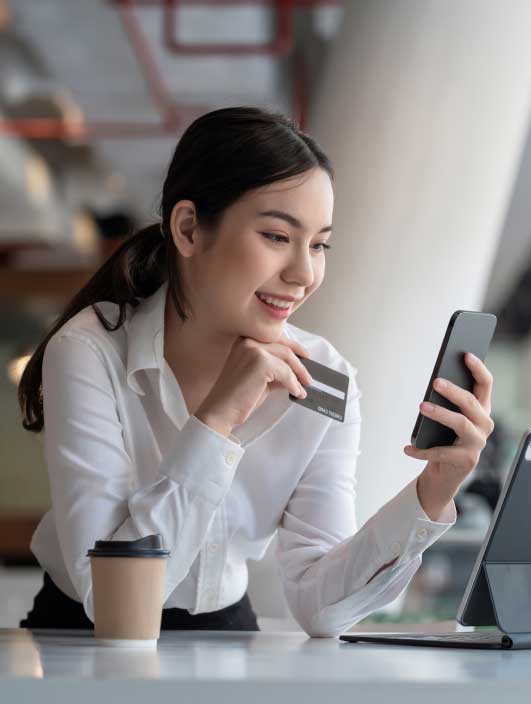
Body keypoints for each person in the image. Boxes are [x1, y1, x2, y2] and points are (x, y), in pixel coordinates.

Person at [16, 107, 495, 637]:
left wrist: (434, 490)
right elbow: (110, 601)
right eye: (275, 236)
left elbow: (321, 607)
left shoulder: (325, 378)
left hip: (226, 632)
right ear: (189, 228)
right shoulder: (89, 352)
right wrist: (218, 420)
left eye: (319, 244)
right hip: (82, 636)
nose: (304, 273)